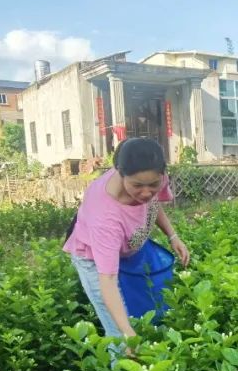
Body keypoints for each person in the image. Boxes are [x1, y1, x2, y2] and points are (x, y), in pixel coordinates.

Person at [63, 137, 190, 349]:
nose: (147, 192)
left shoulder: (154, 174)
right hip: (93, 259)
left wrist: (173, 235)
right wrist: (128, 334)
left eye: (153, 185)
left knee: (141, 307)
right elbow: (108, 281)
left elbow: (153, 202)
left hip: (128, 249)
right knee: (119, 333)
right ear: (121, 174)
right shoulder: (105, 217)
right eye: (137, 186)